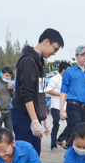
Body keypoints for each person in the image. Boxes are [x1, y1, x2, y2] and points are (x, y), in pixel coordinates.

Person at [12, 28, 63, 156]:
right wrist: (35, 121)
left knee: (34, 155)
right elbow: (27, 94)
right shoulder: (29, 60)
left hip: (33, 115)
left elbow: (40, 93)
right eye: (55, 49)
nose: (55, 53)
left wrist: (43, 118)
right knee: (24, 156)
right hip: (23, 114)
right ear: (46, 42)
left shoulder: (39, 61)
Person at [45, 61, 70, 153]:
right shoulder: (54, 79)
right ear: (63, 70)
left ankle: (62, 139)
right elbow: (48, 90)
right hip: (56, 106)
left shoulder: (68, 79)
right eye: (68, 70)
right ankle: (53, 145)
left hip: (67, 106)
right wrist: (61, 94)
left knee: (72, 124)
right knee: (56, 126)